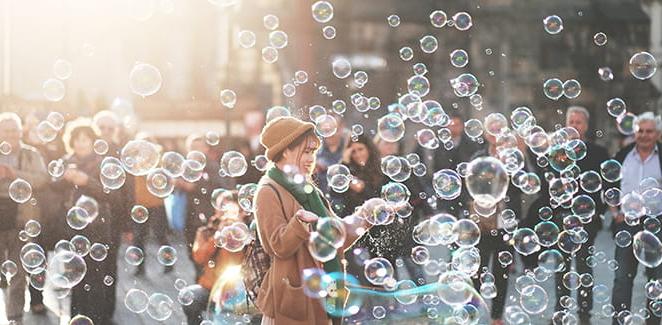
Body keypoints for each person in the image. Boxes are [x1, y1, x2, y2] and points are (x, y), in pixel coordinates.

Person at [253, 116, 369, 325]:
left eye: (313, 152)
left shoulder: (308, 190)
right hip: (292, 303)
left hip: (322, 295)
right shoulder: (268, 190)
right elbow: (277, 245)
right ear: (285, 150)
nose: (311, 158)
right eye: (306, 151)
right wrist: (299, 223)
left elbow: (336, 234)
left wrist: (367, 216)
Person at [550, 106, 610, 323]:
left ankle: (585, 314)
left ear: (586, 126)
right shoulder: (557, 153)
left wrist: (597, 214)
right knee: (561, 268)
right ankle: (561, 312)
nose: (574, 125)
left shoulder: (598, 152)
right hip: (562, 218)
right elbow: (550, 186)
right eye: (571, 122)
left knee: (585, 269)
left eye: (579, 122)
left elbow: (607, 186)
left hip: (587, 220)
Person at [52, 118, 114, 324]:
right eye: (77, 139)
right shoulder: (65, 162)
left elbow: (111, 193)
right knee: (75, 276)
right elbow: (51, 185)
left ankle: (98, 318)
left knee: (96, 277)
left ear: (92, 140)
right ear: (71, 141)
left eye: (85, 139)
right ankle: (77, 319)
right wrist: (65, 178)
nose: (81, 143)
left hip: (97, 228)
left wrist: (87, 181)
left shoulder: (102, 162)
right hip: (72, 229)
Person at [610, 112, 662, 325]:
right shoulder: (622, 155)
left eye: (649, 131)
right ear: (634, 133)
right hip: (628, 224)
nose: (644, 135)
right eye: (640, 131)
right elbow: (609, 187)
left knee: (657, 279)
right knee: (622, 278)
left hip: (657, 224)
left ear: (657, 134)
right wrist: (615, 213)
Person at [469, 132, 522, 325]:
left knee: (501, 272)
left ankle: (497, 317)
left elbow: (520, 188)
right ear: (485, 133)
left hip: (505, 224)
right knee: (476, 270)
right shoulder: (478, 158)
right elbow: (471, 186)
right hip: (482, 224)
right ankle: (472, 310)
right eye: (491, 129)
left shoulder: (514, 159)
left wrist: (508, 169)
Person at [0, 113, 48, 324]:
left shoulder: (31, 154)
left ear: (21, 132)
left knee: (18, 272)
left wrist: (14, 174)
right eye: (6, 130)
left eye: (14, 130)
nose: (10, 134)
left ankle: (14, 318)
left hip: (22, 219)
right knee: (3, 271)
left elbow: (42, 179)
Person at [183, 190, 245, 324]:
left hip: (241, 292)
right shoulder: (205, 232)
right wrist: (217, 237)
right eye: (222, 208)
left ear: (241, 212)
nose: (225, 214)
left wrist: (240, 234)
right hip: (211, 289)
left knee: (263, 309)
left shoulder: (249, 234)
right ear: (217, 210)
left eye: (231, 210)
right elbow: (198, 257)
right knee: (189, 296)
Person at [130, 133, 172, 276]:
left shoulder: (157, 161)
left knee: (160, 234)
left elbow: (165, 180)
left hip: (156, 204)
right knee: (139, 237)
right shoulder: (135, 161)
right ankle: (139, 267)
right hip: (140, 204)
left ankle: (169, 263)